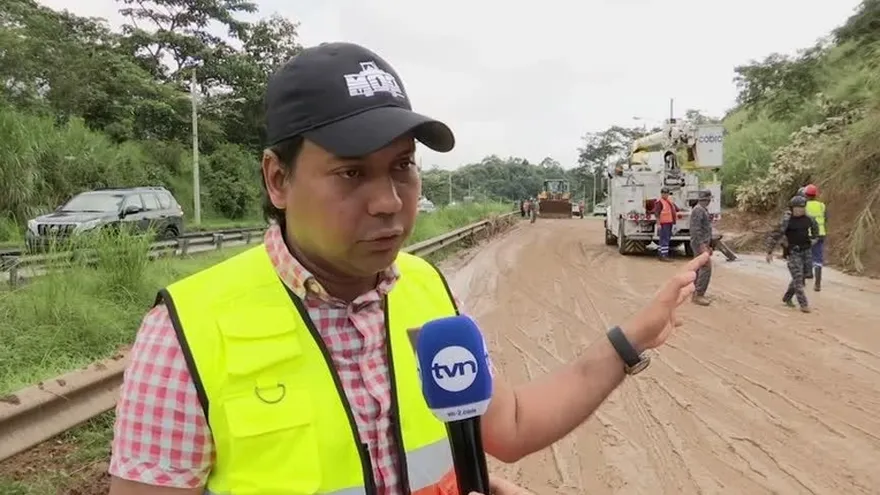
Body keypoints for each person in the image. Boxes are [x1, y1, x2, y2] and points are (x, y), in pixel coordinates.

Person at [107, 41, 710, 495]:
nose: (389, 201)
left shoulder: (425, 291)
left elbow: (510, 424)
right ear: (278, 179)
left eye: (402, 167)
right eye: (351, 173)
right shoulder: (185, 334)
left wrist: (630, 341)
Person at [765, 195, 819, 313]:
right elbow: (775, 236)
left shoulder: (810, 219)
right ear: (792, 208)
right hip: (793, 252)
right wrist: (769, 252)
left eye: (802, 207)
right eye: (797, 208)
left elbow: (816, 232)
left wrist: (813, 240)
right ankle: (803, 304)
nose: (800, 210)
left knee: (804, 275)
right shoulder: (786, 221)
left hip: (806, 251)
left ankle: (787, 297)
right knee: (798, 279)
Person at [688, 190, 713, 306]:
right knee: (706, 267)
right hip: (699, 243)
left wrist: (708, 245)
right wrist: (702, 246)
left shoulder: (702, 210)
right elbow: (695, 230)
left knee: (698, 268)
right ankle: (698, 294)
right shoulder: (698, 210)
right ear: (707, 199)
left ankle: (695, 292)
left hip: (702, 243)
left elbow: (705, 230)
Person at [803, 184, 827, 291]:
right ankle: (817, 284)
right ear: (815, 195)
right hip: (820, 235)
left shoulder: (803, 206)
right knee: (818, 259)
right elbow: (826, 219)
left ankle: (803, 281)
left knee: (804, 256)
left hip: (807, 234)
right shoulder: (822, 206)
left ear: (806, 195)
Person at [652, 186, 679, 262]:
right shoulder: (659, 202)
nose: (665, 194)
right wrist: (658, 224)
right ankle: (664, 255)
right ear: (661, 194)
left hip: (669, 223)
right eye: (664, 193)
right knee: (665, 239)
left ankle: (661, 254)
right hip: (663, 224)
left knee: (664, 239)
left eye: (667, 193)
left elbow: (676, 209)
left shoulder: (669, 202)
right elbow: (657, 214)